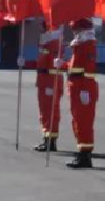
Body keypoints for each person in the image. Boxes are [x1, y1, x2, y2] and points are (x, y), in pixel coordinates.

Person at [61, 18, 98, 169]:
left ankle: (85, 155)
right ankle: (82, 151)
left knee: (84, 123)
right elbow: (74, 66)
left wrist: (83, 90)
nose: (74, 33)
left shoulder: (87, 45)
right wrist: (63, 65)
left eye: (76, 30)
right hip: (76, 86)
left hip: (83, 87)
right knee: (77, 122)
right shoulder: (80, 45)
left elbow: (87, 69)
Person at [32, 23, 64, 151]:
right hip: (44, 80)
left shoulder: (53, 42)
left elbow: (52, 62)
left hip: (50, 81)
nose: (41, 28)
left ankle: (50, 141)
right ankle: (47, 139)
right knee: (46, 111)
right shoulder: (46, 42)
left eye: (43, 26)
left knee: (49, 111)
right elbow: (41, 62)